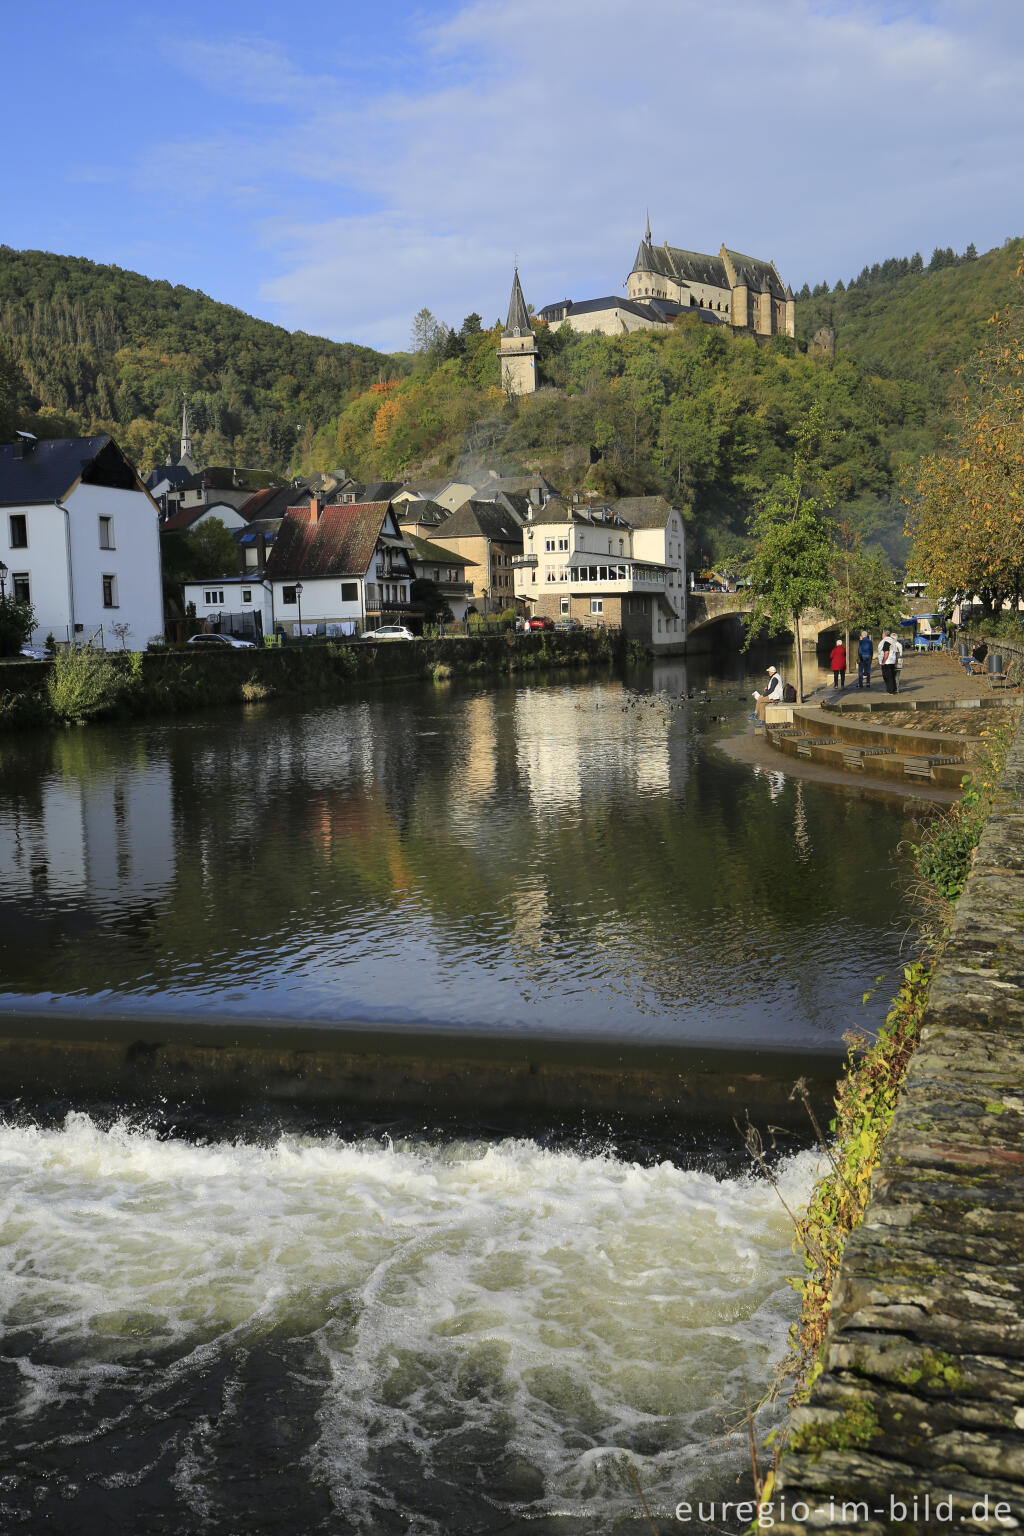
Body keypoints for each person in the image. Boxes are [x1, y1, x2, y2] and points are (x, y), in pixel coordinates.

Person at [878, 630, 898, 694]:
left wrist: (883, 661)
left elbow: (886, 652)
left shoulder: (886, 641)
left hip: (887, 661)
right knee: (892, 676)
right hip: (892, 661)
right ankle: (894, 689)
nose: (881, 636)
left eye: (882, 634)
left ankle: (890, 690)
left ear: (884, 635)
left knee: (887, 676)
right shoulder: (892, 641)